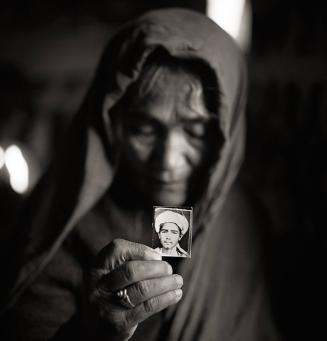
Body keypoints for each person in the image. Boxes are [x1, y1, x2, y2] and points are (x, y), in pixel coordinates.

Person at [0, 8, 280, 341]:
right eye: (144, 128)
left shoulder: (240, 217)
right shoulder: (64, 223)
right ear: (111, 121)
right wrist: (89, 331)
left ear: (227, 133)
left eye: (196, 131)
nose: (168, 160)